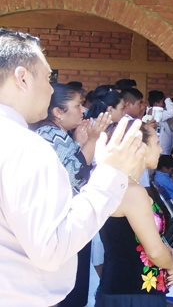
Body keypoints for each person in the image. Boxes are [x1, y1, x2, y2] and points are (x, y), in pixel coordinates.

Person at [0, 28, 147, 306]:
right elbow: (51, 247)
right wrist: (111, 172)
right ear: (22, 78)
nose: (50, 89)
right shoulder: (24, 146)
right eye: (48, 78)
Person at [32, 83, 112, 306]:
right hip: (62, 220)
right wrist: (93, 139)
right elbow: (75, 176)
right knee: (70, 291)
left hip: (64, 219)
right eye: (77, 105)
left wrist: (79, 141)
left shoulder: (57, 133)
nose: (83, 110)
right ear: (58, 112)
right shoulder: (49, 133)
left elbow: (69, 163)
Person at [96, 120, 173, 306]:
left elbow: (134, 238)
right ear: (139, 147)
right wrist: (172, 267)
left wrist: (170, 252)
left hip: (122, 288)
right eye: (156, 143)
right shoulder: (132, 192)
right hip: (134, 293)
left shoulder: (120, 184)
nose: (160, 149)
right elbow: (154, 252)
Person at [147, 90, 173, 155]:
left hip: (161, 150)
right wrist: (167, 99)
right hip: (161, 151)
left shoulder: (154, 111)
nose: (163, 104)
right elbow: (172, 112)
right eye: (162, 102)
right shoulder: (156, 112)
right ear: (156, 104)